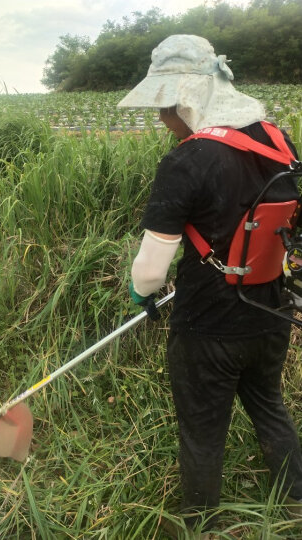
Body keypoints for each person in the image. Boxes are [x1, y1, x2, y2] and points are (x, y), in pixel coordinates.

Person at [118, 34, 302, 536]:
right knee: (268, 405)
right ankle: (296, 501)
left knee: (202, 431)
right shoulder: (278, 140)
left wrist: (142, 293)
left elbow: (151, 270)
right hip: (270, 314)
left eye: (164, 106)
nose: (162, 119)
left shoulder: (186, 160)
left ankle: (201, 525)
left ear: (186, 98)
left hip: (207, 330)